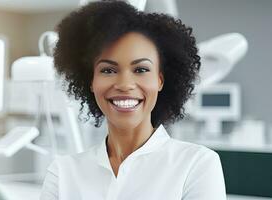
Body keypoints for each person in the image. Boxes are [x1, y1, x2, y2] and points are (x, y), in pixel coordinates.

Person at [40, 1, 226, 200]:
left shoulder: (197, 164)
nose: (125, 84)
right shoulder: (63, 173)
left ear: (160, 80)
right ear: (91, 81)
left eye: (141, 70)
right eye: (108, 70)